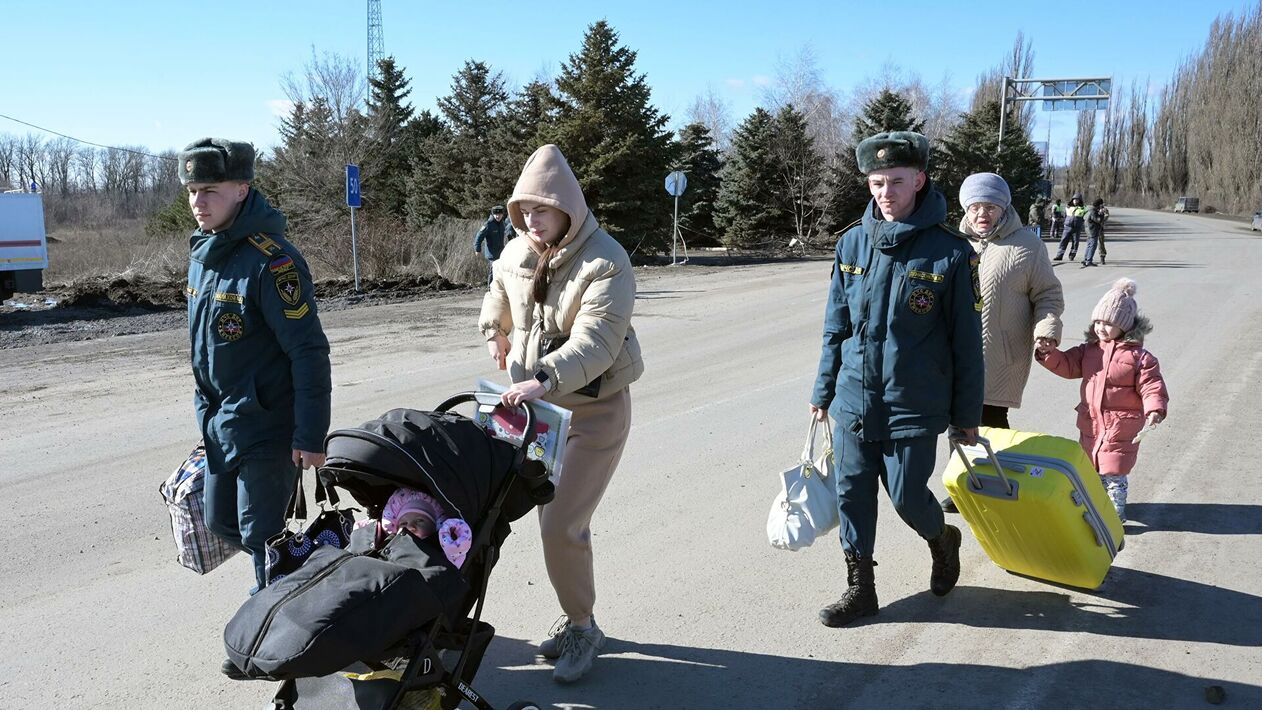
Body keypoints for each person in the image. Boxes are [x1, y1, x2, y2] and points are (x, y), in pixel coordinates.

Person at [479, 144, 644, 683]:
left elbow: (598, 343)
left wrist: (542, 377)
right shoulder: (516, 249)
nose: (530, 220)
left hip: (593, 414)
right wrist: (494, 331)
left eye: (541, 210)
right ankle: (581, 616)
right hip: (538, 413)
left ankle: (582, 626)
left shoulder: (606, 260)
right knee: (536, 519)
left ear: (568, 208)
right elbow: (498, 290)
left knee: (562, 524)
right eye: (524, 210)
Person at [809, 131, 984, 628]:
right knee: (852, 494)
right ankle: (860, 589)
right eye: (877, 182)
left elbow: (967, 345)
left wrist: (966, 417)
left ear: (920, 181)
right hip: (853, 402)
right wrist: (823, 392)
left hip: (913, 403)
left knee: (908, 497)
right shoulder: (851, 243)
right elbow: (835, 327)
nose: (885, 192)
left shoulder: (951, 253)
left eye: (896, 182)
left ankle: (940, 537)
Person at [180, 138, 331, 678]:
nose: (199, 201)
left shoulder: (275, 262)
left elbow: (309, 351)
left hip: (270, 428)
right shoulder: (205, 254)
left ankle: (270, 646)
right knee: (222, 521)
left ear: (242, 189)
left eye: (211, 191)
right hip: (224, 425)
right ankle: (304, 580)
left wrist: (311, 434)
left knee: (260, 536)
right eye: (194, 191)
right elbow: (208, 350)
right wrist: (205, 417)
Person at [939, 173, 1064, 514]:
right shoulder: (952, 243)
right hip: (953, 352)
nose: (983, 214)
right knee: (956, 419)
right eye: (976, 207)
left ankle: (996, 479)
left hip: (1000, 354)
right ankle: (962, 483)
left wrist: (1047, 330)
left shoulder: (1027, 245)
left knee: (991, 419)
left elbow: (1048, 294)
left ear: (1004, 208)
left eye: (991, 207)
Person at [1035, 278, 1168, 521]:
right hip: (1091, 422)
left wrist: (1154, 409)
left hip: (1121, 425)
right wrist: (1048, 354)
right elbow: (1066, 365)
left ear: (1124, 326)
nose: (1100, 328)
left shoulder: (1140, 358)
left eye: (1108, 323)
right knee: (1091, 468)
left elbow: (1152, 385)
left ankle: (1114, 514)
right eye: (1097, 322)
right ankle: (1094, 506)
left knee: (1114, 471)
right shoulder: (1089, 350)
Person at [474, 204, 513, 284]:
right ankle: (490, 289)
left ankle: (499, 288)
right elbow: (479, 236)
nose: (498, 216)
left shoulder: (502, 223)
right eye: (496, 214)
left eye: (500, 214)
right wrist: (477, 249)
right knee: (493, 271)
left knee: (501, 270)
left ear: (502, 214)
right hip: (491, 253)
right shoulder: (488, 224)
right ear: (492, 214)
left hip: (501, 252)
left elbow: (508, 232)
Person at [1053, 193, 1087, 261]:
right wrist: (1064, 223)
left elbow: (1085, 218)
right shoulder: (1068, 207)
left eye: (1077, 200)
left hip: (1077, 228)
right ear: (1072, 200)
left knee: (1075, 242)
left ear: (1080, 201)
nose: (1075, 201)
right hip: (1067, 227)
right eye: (1074, 200)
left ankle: (1072, 255)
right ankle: (1059, 255)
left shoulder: (1083, 208)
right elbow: (1065, 216)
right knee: (1063, 241)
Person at [1082, 198, 1108, 266]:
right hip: (1093, 231)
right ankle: (1089, 260)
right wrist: (1102, 214)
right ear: (1098, 205)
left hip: (1089, 230)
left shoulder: (1088, 210)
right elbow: (1098, 220)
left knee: (1089, 245)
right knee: (1093, 246)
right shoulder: (1093, 211)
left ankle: (1086, 259)